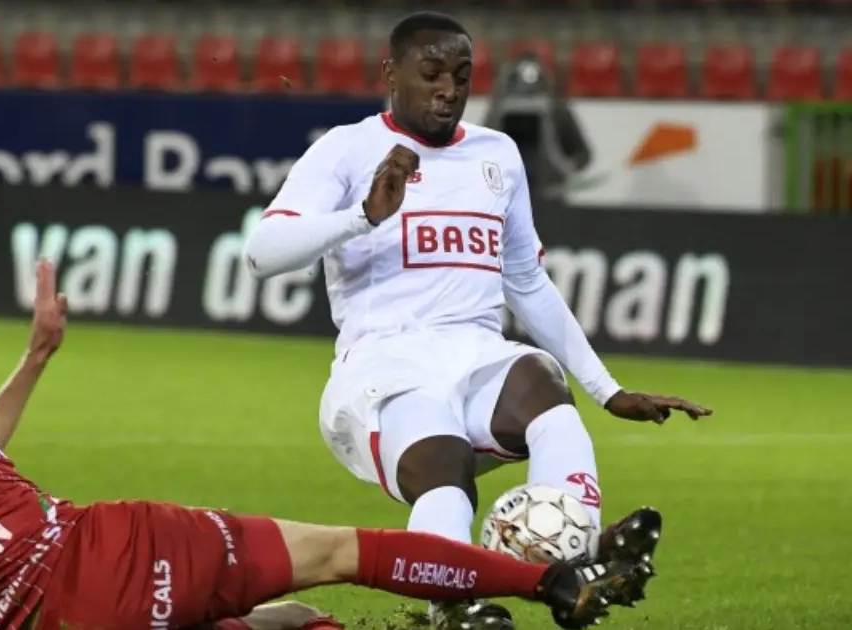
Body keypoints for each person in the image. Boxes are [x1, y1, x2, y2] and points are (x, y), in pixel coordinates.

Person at [0, 252, 655, 630]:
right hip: (104, 559)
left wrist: (38, 357)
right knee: (338, 553)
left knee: (288, 624)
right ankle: (554, 580)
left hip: (43, 620)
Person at [241, 10, 712, 630]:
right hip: (385, 366)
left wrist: (608, 389)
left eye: (461, 76)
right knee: (446, 473)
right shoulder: (348, 148)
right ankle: (450, 603)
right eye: (431, 73)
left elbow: (527, 282)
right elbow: (262, 254)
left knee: (544, 388)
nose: (448, 89)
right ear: (391, 74)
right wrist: (363, 216)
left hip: (476, 353)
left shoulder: (498, 155)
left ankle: (577, 564)